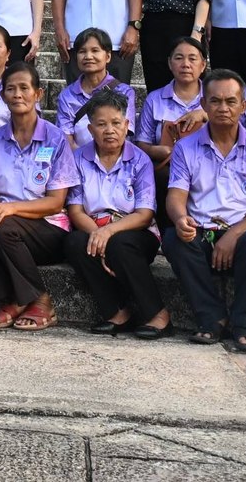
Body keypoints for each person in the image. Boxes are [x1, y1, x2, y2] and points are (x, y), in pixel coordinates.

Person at [164, 68, 246, 349]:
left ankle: (242, 320)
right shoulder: (185, 148)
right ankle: (211, 317)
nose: (223, 108)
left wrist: (233, 235)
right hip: (201, 231)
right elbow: (176, 196)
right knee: (173, 239)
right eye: (215, 101)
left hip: (242, 232)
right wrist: (180, 219)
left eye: (231, 101)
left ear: (243, 106)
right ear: (203, 105)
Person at [0, 59, 78, 332]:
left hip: (48, 228)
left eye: (24, 88)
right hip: (6, 225)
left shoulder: (55, 138)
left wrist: (12, 208)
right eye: (10, 89)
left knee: (0, 223)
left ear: (38, 94)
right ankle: (14, 300)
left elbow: (56, 202)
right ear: (3, 96)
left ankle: (40, 299)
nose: (17, 94)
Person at [65, 94, 167, 338]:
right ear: (90, 129)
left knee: (120, 244)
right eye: (101, 124)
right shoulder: (78, 159)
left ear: (127, 125)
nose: (109, 130)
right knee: (74, 242)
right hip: (93, 226)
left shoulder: (140, 160)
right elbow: (75, 210)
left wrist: (108, 232)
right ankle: (118, 311)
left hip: (135, 230)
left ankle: (158, 313)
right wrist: (97, 235)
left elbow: (144, 214)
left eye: (116, 123)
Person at [138, 37, 209, 176]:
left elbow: (234, 130)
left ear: (203, 65)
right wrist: (154, 151)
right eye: (179, 58)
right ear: (170, 63)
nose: (186, 64)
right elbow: (141, 143)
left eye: (192, 59)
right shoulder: (155, 99)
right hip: (166, 171)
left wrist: (206, 115)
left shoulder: (214, 96)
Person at [54, 29, 137, 146]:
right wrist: (84, 157)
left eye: (95, 50)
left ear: (108, 56)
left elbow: (125, 134)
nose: (88, 56)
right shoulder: (67, 96)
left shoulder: (124, 92)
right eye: (82, 51)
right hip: (77, 156)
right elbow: (66, 139)